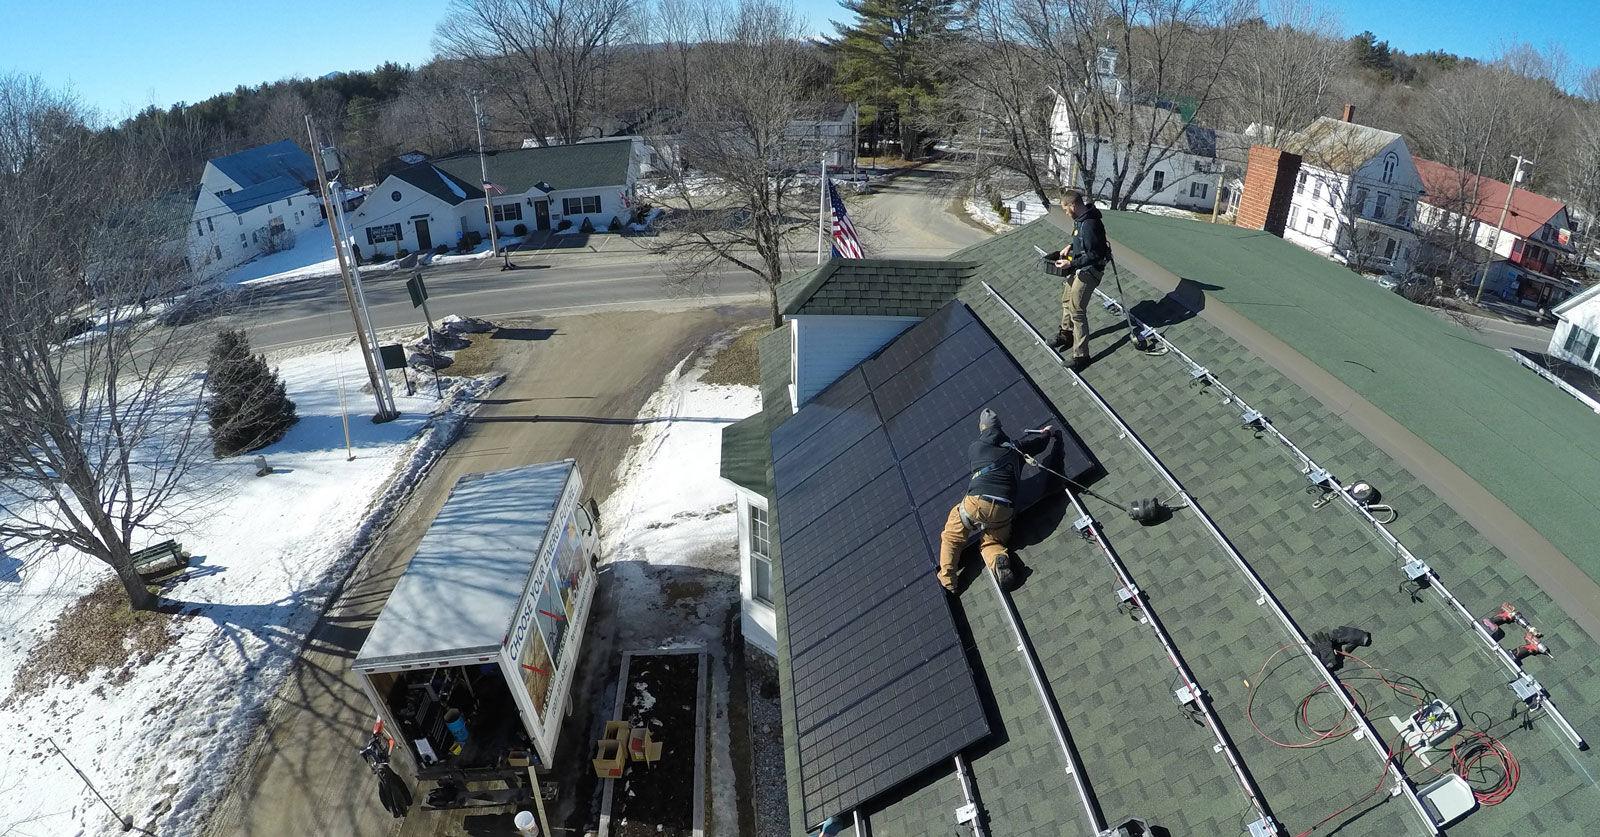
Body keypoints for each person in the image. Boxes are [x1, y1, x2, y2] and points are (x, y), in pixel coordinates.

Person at [937, 408, 1054, 593]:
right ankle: (998, 559)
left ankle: (948, 581)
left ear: (982, 429)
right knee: (992, 541)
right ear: (1000, 428)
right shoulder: (1016, 448)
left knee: (952, 536)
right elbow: (1039, 445)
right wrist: (1046, 434)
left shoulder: (975, 448)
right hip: (1004, 510)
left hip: (977, 504)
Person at [1047, 190, 1112, 370]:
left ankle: (1081, 356)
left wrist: (1071, 264)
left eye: (1066, 209)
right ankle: (1066, 334)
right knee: (1066, 300)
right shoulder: (1081, 220)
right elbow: (1083, 240)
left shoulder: (1090, 224)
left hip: (1090, 271)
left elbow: (1095, 254)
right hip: (1079, 266)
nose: (1065, 213)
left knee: (1077, 310)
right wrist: (1070, 246)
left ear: (1073, 205)